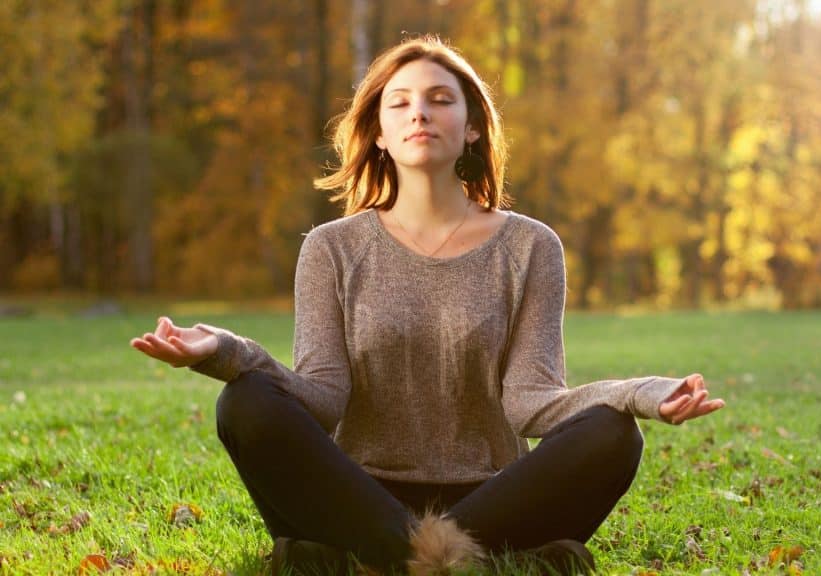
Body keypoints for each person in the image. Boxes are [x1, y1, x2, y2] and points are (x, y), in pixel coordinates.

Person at [131, 36, 724, 575]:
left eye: (441, 99)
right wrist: (225, 351)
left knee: (615, 436)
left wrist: (643, 394)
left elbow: (533, 401)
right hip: (357, 499)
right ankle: (436, 558)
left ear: (471, 127)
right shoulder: (331, 248)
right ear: (380, 133)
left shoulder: (530, 246)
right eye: (401, 103)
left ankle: (383, 561)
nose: (420, 112)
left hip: (493, 499)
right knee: (246, 400)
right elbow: (322, 394)